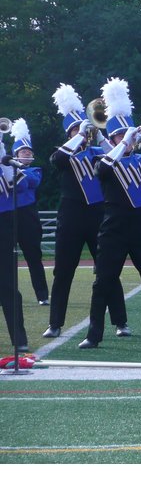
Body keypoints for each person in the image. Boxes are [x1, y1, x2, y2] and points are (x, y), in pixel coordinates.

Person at [78, 77, 141, 349]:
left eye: (128, 135)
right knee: (104, 282)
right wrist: (122, 143)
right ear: (112, 139)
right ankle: (93, 335)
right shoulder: (103, 157)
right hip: (113, 226)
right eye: (121, 135)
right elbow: (103, 170)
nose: (128, 139)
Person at [44, 84, 127, 339]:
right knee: (63, 270)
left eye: (82, 128)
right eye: (74, 130)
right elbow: (56, 161)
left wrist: (99, 136)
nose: (82, 132)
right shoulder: (64, 153)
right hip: (70, 216)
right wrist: (78, 135)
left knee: (107, 269)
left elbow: (118, 158)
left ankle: (120, 322)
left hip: (98, 215)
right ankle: (55, 323)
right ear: (69, 133)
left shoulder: (99, 151)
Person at [8, 119, 50, 306]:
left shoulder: (35, 170)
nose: (27, 154)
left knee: (33, 257)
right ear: (15, 154)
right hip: (8, 216)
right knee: (5, 258)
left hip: (28, 217)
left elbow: (26, 184)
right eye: (23, 152)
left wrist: (13, 167)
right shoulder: (6, 170)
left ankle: (42, 295)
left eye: (29, 152)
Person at [0, 136, 29, 352]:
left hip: (4, 224)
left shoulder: (4, 164)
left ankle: (19, 339)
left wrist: (2, 153)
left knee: (8, 285)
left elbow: (22, 185)